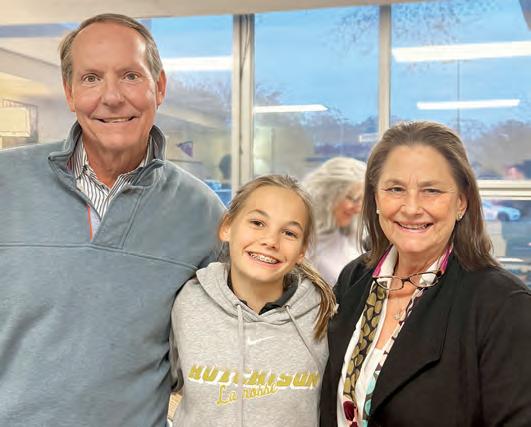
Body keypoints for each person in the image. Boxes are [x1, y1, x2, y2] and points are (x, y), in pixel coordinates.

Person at [0, 14, 224, 427]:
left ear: (159, 86)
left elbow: (233, 337)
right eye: (91, 78)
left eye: (130, 76)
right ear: (69, 92)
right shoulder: (6, 183)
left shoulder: (203, 212)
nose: (112, 97)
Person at [319, 121, 531, 426]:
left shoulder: (503, 305)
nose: (411, 208)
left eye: (431, 190)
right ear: (375, 198)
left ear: (461, 202)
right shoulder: (355, 279)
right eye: (395, 189)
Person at [169, 175, 336, 426]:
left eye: (289, 233)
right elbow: (160, 385)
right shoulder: (188, 302)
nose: (271, 241)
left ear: (302, 251)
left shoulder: (323, 314)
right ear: (227, 227)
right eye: (257, 223)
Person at [303, 157, 367, 285]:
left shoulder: (349, 238)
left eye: (362, 200)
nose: (358, 208)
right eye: (352, 198)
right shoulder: (305, 243)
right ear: (327, 196)